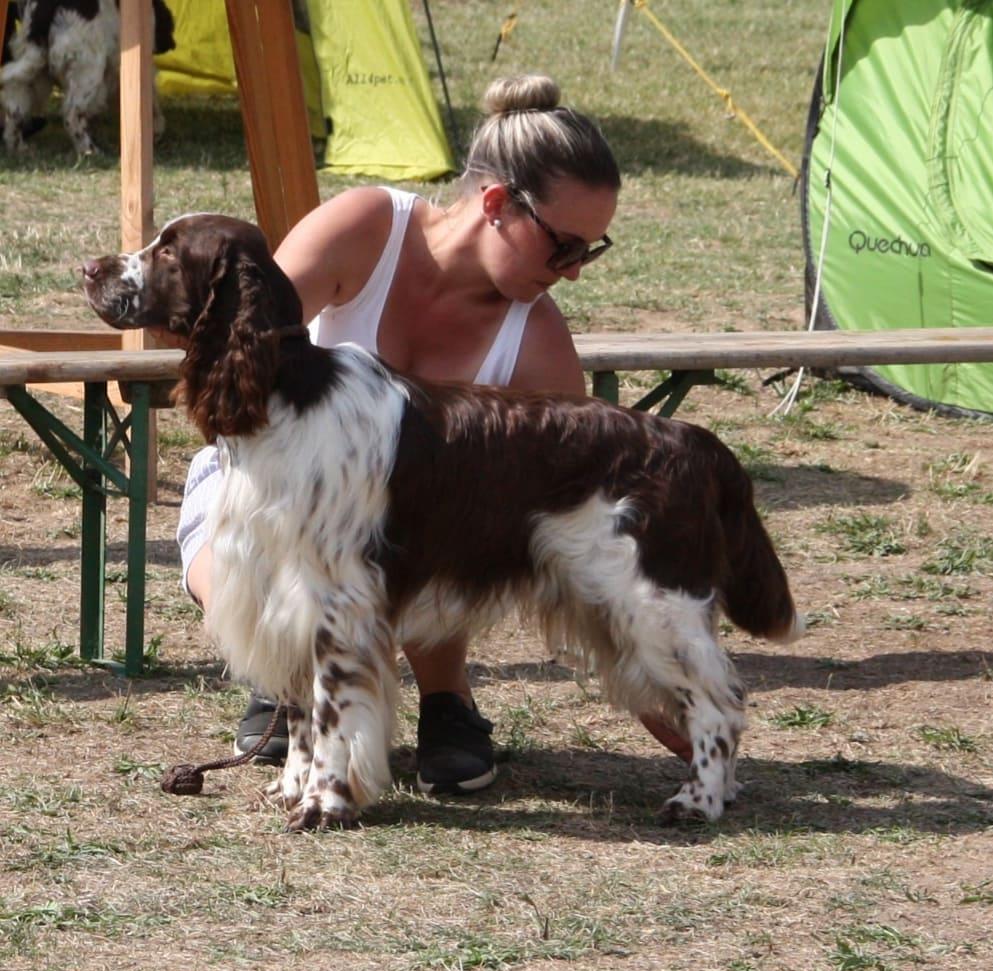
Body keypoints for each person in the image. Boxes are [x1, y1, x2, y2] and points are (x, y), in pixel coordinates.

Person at [176, 73, 692, 796]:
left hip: (411, 542)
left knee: (445, 496)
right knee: (292, 521)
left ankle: (445, 700)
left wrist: (645, 669)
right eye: (562, 248)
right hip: (272, 489)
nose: (572, 274)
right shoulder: (363, 228)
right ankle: (290, 677)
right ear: (494, 205)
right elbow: (251, 349)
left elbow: (575, 516)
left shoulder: (539, 343)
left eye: (589, 252)